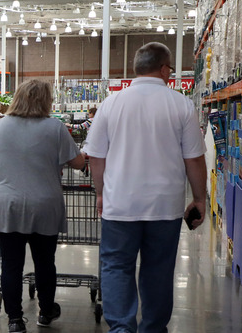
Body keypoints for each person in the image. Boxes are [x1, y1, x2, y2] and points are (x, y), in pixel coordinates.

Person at [85, 42, 207, 333]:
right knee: (159, 270)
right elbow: (194, 159)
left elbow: (96, 158)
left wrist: (101, 192)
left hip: (120, 205)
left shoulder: (111, 104)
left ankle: (121, 329)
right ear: (164, 69)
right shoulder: (181, 104)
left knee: (116, 266)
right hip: (164, 207)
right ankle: (152, 328)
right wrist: (199, 198)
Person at [0, 80, 86, 333]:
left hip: (9, 204)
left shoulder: (0, 126)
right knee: (45, 262)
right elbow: (78, 162)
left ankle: (15, 320)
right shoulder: (56, 128)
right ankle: (46, 312)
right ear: (46, 100)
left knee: (11, 264)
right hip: (44, 204)